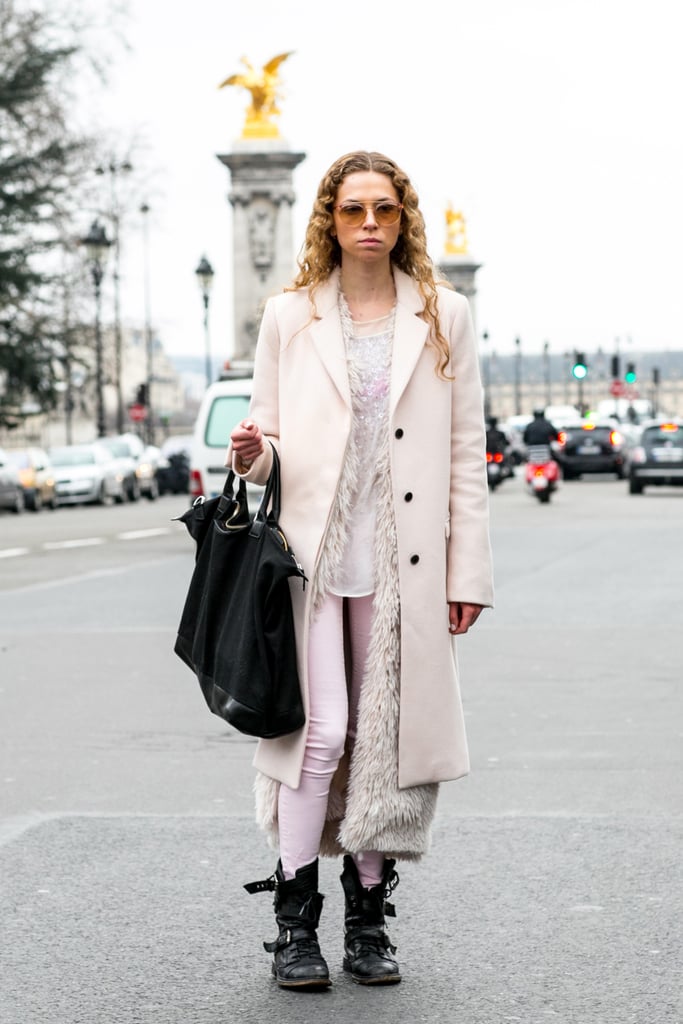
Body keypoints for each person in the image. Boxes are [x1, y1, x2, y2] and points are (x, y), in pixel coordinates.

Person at [228, 150, 494, 990]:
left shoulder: (443, 314)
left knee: (382, 746)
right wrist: (253, 454)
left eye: (384, 209)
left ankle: (368, 919)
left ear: (402, 218)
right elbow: (267, 443)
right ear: (330, 221)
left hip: (404, 560)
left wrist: (467, 574)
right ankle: (294, 919)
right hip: (310, 562)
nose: (369, 224)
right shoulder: (289, 316)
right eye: (353, 211)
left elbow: (463, 456)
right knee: (320, 736)